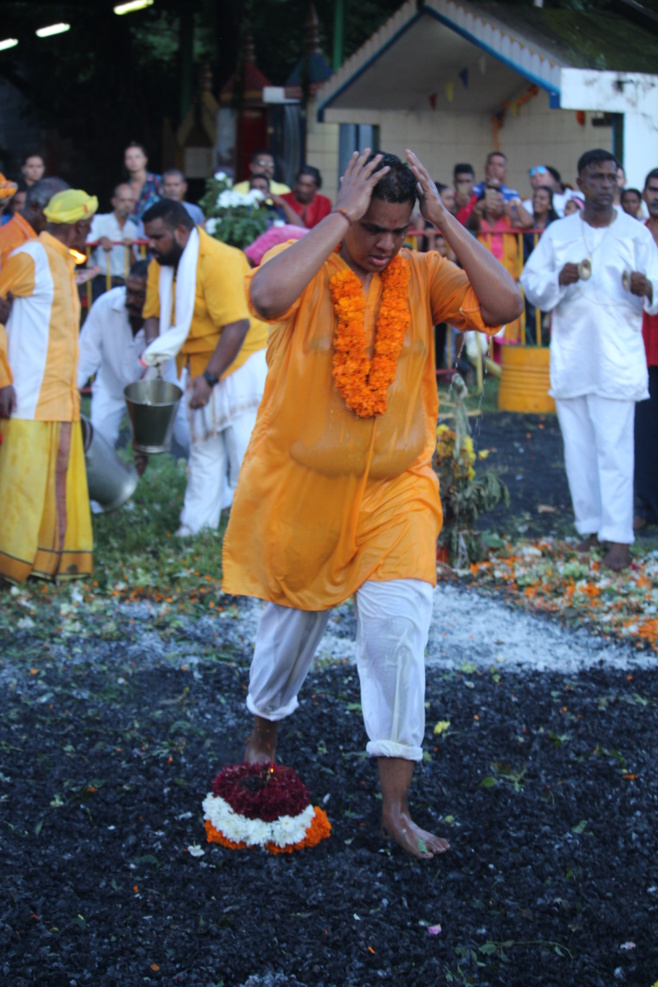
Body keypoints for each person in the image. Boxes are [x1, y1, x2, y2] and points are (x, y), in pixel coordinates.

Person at [221, 148, 523, 859]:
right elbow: (263, 299)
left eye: (400, 229)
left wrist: (444, 222)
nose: (386, 244)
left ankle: (396, 804)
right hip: (305, 492)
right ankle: (262, 735)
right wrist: (338, 221)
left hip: (398, 491)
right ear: (351, 212)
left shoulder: (423, 273)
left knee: (396, 636)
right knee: (286, 637)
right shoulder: (310, 266)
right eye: (374, 229)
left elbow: (506, 305)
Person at [521, 149, 658, 571]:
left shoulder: (637, 234)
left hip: (618, 360)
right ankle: (591, 528)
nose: (604, 184)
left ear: (619, 181)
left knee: (616, 450)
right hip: (573, 357)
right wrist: (556, 281)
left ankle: (619, 538)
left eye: (610, 177)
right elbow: (531, 284)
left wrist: (647, 287)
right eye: (595, 178)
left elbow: (656, 294)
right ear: (579, 184)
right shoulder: (559, 233)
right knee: (578, 450)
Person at [140, 199, 268, 534]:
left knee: (244, 449)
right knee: (204, 451)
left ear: (181, 232)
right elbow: (152, 315)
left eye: (157, 237)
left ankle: (251, 531)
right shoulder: (160, 265)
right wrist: (156, 358)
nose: (150, 246)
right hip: (197, 365)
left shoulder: (221, 259)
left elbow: (236, 326)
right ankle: (195, 527)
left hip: (240, 360)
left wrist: (209, 379)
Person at [0, 189, 97, 582]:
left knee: (54, 484)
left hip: (60, 398)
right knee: (21, 486)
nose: (89, 231)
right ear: (79, 226)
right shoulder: (30, 256)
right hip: (28, 396)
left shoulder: (62, 259)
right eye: (88, 225)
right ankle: (11, 568)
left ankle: (46, 565)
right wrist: (2, 379)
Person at [467, 185, 529, 353]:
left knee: (509, 324)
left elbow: (528, 222)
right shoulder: (479, 220)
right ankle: (483, 367)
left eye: (501, 199)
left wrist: (512, 205)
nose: (498, 203)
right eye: (494, 199)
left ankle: (505, 365)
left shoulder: (509, 220)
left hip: (509, 284)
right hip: (484, 285)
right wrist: (478, 208)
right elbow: (470, 224)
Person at [634, 168, 658, 530]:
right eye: (654, 190)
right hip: (642, 347)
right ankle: (647, 506)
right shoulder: (635, 233)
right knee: (645, 431)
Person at [0, 177, 69, 268]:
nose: (63, 220)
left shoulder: (33, 238)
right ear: (35, 207)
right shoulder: (15, 244)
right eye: (57, 212)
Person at [87, 183, 139, 297]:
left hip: (125, 283)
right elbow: (83, 250)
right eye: (123, 200)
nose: (127, 204)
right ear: (114, 202)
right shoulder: (99, 221)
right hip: (102, 282)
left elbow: (136, 265)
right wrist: (100, 240)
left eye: (130, 201)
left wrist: (130, 249)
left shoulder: (134, 228)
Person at [457, 151, 530, 229]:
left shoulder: (512, 194)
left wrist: (505, 207)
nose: (495, 168)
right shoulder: (473, 191)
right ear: (486, 168)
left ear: (505, 171)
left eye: (500, 165)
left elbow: (519, 219)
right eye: (492, 164)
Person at [124, 142, 161, 220]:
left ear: (145, 159)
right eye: (129, 157)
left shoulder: (158, 181)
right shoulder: (124, 188)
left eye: (137, 157)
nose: (133, 161)